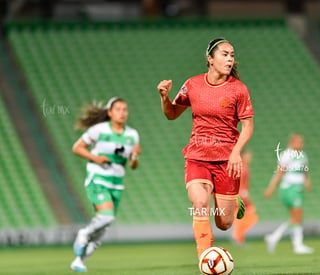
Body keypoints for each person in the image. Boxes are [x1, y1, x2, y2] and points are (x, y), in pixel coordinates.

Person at [157, 38, 254, 259]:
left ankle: (233, 200)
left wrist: (236, 152)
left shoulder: (238, 89)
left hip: (226, 160)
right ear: (210, 59)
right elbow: (171, 114)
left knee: (224, 223)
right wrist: (164, 97)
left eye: (232, 55)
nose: (230, 59)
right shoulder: (192, 84)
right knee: (200, 203)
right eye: (224, 54)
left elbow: (248, 126)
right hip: (197, 157)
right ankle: (205, 257)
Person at [70, 97, 141, 272]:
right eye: (118, 109)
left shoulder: (132, 135)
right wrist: (95, 158)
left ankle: (79, 260)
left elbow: (133, 165)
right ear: (110, 113)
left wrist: (134, 156)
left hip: (116, 183)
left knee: (103, 229)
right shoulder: (98, 130)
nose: (122, 113)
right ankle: (83, 233)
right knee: (107, 216)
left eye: (125, 109)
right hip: (98, 178)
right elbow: (77, 147)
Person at [263, 134, 313, 254]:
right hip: (290, 188)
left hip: (298, 189)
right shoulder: (287, 155)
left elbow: (305, 171)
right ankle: (297, 245)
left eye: (302, 142)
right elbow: (279, 172)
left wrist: (307, 182)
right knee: (297, 217)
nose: (301, 144)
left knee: (295, 218)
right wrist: (271, 188)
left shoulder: (303, 155)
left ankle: (274, 238)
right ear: (291, 142)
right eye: (298, 142)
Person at [232, 149, 259, 246]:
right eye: (248, 155)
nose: (250, 157)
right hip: (240, 196)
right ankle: (238, 237)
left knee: (247, 216)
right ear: (243, 156)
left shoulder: (244, 167)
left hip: (240, 195)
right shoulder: (242, 168)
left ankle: (238, 237)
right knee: (248, 215)